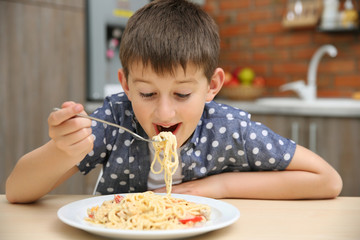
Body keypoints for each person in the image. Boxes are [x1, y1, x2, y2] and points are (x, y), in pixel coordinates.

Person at [6, 0, 342, 203]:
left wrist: (221, 186)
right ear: (125, 84)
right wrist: (61, 150)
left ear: (212, 86)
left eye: (182, 94)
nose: (164, 112)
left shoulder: (227, 129)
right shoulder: (116, 120)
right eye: (147, 94)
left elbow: (328, 180)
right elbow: (17, 191)